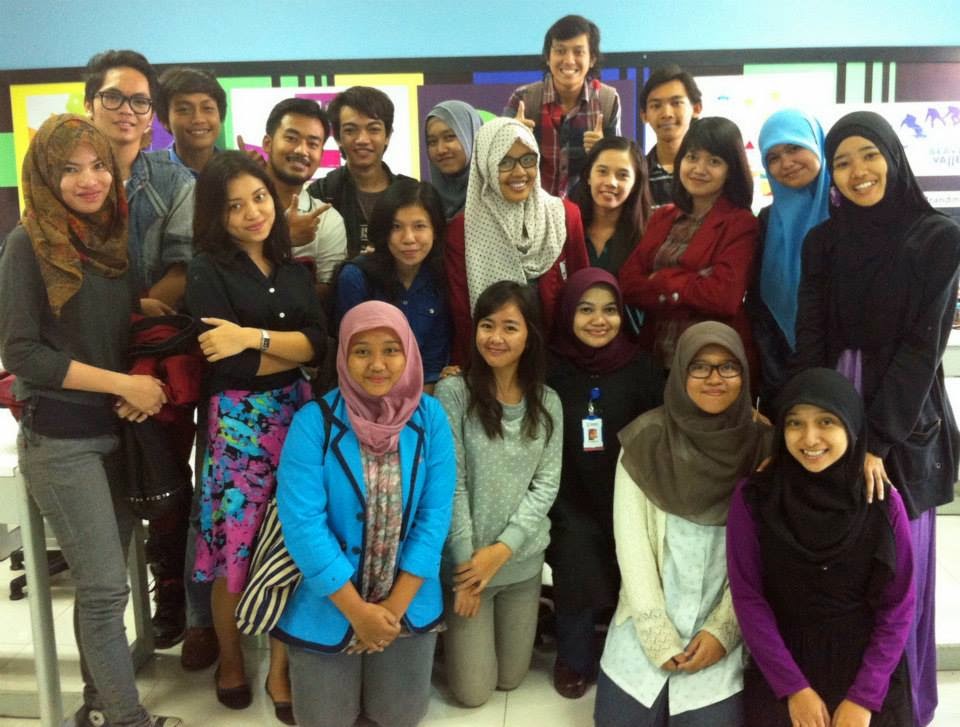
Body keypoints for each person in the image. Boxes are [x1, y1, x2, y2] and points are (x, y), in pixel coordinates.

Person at [0, 114, 180, 727]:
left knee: (106, 586)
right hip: (61, 438)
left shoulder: (111, 240)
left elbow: (115, 328)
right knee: (104, 588)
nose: (89, 179)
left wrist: (145, 359)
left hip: (116, 432)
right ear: (45, 174)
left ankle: (100, 706)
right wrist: (122, 384)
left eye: (99, 165)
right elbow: (22, 354)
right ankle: (125, 719)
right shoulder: (28, 242)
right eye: (70, 168)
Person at [793, 111, 960, 727]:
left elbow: (922, 348)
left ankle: (898, 707)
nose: (858, 171)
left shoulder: (937, 237)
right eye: (842, 161)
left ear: (893, 157)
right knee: (838, 561)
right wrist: (803, 421)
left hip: (901, 419)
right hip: (833, 406)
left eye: (869, 155)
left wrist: (878, 443)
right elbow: (810, 335)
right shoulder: (824, 241)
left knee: (897, 566)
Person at [186, 151, 326, 720]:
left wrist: (250, 336)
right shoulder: (205, 270)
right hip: (238, 426)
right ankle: (231, 660)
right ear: (216, 216)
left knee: (292, 542)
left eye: (260, 197)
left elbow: (318, 346)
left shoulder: (293, 271)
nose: (252, 213)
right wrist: (280, 349)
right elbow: (228, 365)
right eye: (235, 206)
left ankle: (280, 669)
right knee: (236, 548)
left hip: (298, 418)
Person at [273, 300, 456, 727]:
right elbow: (303, 525)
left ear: (409, 352)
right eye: (362, 351)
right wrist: (358, 612)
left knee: (399, 716)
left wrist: (391, 610)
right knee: (324, 720)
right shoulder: (313, 422)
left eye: (391, 350)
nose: (377, 364)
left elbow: (434, 518)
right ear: (343, 355)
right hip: (329, 599)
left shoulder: (430, 418)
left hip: (405, 598)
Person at [594, 322, 769, 727]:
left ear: (744, 373)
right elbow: (631, 547)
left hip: (723, 622)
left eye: (728, 367)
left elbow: (762, 556)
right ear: (678, 372)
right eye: (699, 367)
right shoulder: (646, 440)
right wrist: (656, 634)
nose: (714, 379)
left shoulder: (764, 446)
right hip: (645, 619)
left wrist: (723, 632)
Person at [84, 49, 198, 651]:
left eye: (139, 101)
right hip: (85, 358)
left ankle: (169, 588)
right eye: (113, 97)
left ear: (151, 114)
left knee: (165, 478)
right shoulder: (65, 176)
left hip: (156, 357)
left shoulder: (175, 181)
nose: (126, 110)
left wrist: (138, 361)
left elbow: (180, 268)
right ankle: (105, 613)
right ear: (90, 104)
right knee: (99, 492)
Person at [728, 367, 915, 727]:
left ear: (851, 426)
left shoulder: (881, 501)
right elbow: (749, 597)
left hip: (868, 667)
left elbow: (898, 605)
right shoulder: (755, 498)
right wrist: (793, 689)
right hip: (782, 662)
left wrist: (863, 697)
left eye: (826, 421)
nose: (809, 438)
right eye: (795, 423)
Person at [435, 281, 562, 707]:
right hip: (468, 565)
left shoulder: (548, 402)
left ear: (530, 335)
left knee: (510, 679)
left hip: (520, 564)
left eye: (510, 327)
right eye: (487, 325)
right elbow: (452, 484)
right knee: (473, 694)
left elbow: (546, 485)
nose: (496, 337)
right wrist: (467, 569)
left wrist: (502, 551)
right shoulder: (454, 393)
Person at [546, 268, 663, 698]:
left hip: (629, 494)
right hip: (567, 495)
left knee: (636, 551)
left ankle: (626, 652)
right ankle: (573, 657)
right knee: (575, 547)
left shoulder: (642, 368)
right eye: (586, 310)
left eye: (610, 310)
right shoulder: (549, 368)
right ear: (567, 314)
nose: (599, 320)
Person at [618, 117, 758, 375]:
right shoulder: (662, 217)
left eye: (714, 161)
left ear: (731, 170)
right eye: (692, 157)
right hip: (656, 354)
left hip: (713, 362)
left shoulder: (741, 223)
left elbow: (723, 298)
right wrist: (696, 282)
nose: (699, 169)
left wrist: (661, 280)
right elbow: (628, 284)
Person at [444, 117, 589, 365]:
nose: (520, 172)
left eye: (528, 159)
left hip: (558, 361)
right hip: (491, 362)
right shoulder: (463, 230)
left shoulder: (564, 216)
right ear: (486, 164)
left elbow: (581, 293)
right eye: (505, 162)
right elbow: (462, 312)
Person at [746, 109, 829, 412]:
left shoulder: (849, 214)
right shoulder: (767, 221)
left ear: (817, 144)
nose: (786, 163)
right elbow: (759, 307)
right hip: (782, 374)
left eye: (794, 148)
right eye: (773, 157)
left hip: (845, 373)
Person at [334, 179, 450, 388]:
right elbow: (350, 357)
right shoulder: (357, 278)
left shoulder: (439, 278)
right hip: (366, 390)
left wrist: (419, 406)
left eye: (419, 226)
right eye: (396, 227)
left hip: (421, 392)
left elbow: (433, 365)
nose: (409, 238)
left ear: (435, 230)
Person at [504, 14, 621, 198]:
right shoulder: (523, 100)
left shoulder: (608, 100)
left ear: (592, 59)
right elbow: (498, 163)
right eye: (560, 51)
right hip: (533, 206)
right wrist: (509, 140)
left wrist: (603, 151)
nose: (569, 60)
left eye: (578, 52)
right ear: (548, 57)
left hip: (587, 208)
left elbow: (619, 168)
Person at [307, 86, 414, 256]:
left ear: (387, 136)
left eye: (373, 129)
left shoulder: (411, 193)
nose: (362, 139)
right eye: (350, 130)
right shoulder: (320, 194)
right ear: (338, 138)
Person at [261, 97, 348, 299]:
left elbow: (325, 293)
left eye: (312, 143)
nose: (302, 150)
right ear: (268, 143)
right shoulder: (236, 202)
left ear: (321, 154)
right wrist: (284, 240)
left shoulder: (326, 220)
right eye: (291, 138)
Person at [570, 135, 652, 273]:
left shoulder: (649, 235)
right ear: (588, 176)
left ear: (635, 184)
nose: (611, 183)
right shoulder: (565, 228)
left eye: (622, 175)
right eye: (602, 171)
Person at [639, 65, 703, 207]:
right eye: (656, 106)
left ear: (696, 108)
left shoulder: (709, 172)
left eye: (676, 103)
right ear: (644, 115)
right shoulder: (636, 175)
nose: (667, 114)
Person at [154, 66, 226, 177]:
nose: (198, 119)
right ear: (165, 121)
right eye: (184, 110)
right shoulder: (149, 174)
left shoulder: (238, 172)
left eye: (207, 108)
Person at [424, 99, 483, 219]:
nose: (440, 150)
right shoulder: (425, 205)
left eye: (449, 137)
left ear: (473, 136)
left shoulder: (496, 199)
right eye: (432, 142)